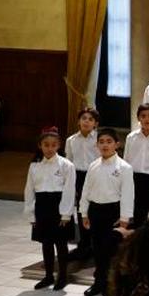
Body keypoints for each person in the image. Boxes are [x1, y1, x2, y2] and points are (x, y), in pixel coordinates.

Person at [80, 128, 133, 296]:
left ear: (117, 144)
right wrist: (84, 212)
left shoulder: (124, 167)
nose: (105, 145)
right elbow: (86, 190)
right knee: (97, 250)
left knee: (112, 251)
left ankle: (113, 284)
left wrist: (124, 218)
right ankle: (98, 282)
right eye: (101, 142)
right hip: (96, 211)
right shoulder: (93, 166)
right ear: (97, 145)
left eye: (109, 141)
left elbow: (127, 194)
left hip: (114, 213)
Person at [25, 128, 76, 290]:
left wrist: (66, 214)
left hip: (59, 207)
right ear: (40, 145)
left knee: (61, 244)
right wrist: (31, 215)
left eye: (53, 145)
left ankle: (62, 276)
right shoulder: (34, 166)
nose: (49, 148)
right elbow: (29, 190)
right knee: (46, 243)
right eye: (46, 145)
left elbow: (69, 191)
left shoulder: (66, 165)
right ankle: (48, 276)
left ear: (59, 146)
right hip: (42, 207)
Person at [65, 107, 100, 258]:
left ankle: (95, 244)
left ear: (95, 124)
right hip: (78, 176)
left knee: (95, 210)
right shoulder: (71, 140)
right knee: (81, 210)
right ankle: (83, 244)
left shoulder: (99, 139)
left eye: (90, 119)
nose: (86, 121)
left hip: (95, 176)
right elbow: (68, 162)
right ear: (78, 121)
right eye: (84, 118)